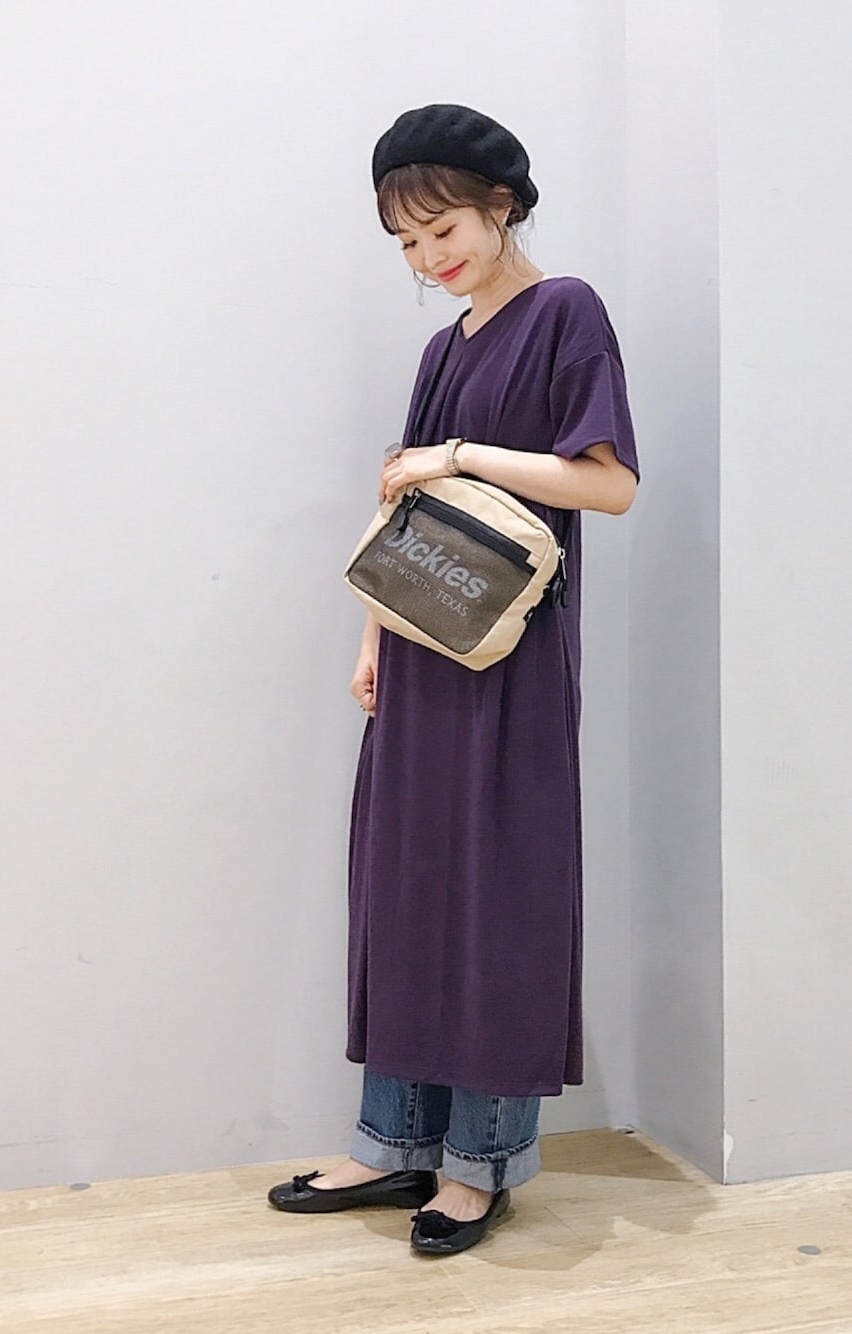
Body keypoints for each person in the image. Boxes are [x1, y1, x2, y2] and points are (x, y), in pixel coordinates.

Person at [268, 103, 639, 1255]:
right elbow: (410, 508)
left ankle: (478, 1165)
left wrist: (463, 452)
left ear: (501, 205)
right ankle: (392, 1141)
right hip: (421, 652)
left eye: (442, 230)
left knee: (496, 895)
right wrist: (372, 638)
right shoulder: (443, 351)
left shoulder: (565, 312)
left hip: (509, 664)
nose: (429, 258)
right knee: (405, 884)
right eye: (406, 242)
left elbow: (609, 484)